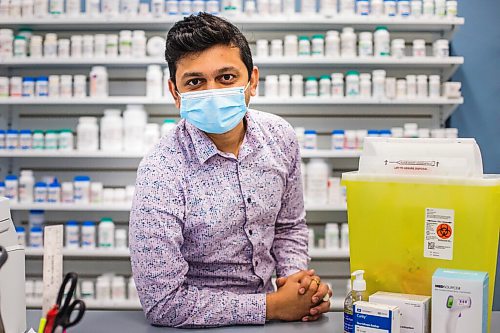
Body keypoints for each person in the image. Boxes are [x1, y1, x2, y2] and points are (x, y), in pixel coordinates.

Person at [129, 13, 332, 328]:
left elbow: (288, 226)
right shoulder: (161, 171)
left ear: (252, 81)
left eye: (226, 77)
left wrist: (296, 283)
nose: (212, 92)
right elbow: (163, 304)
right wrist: (272, 306)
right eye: (195, 82)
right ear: (175, 93)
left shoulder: (280, 136)